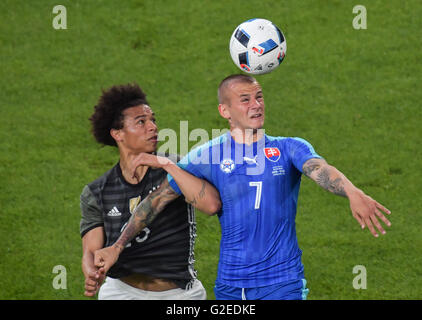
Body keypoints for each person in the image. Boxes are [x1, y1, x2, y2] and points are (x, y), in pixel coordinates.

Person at [94, 75, 392, 300]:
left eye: (259, 97)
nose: (257, 104)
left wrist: (353, 191)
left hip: (283, 283)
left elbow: (321, 170)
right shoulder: (208, 154)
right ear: (225, 110)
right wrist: (118, 246)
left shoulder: (288, 148)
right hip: (230, 287)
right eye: (246, 99)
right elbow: (156, 201)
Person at [80, 83, 221, 300]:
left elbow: (210, 205)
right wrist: (92, 272)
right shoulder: (97, 191)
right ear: (118, 134)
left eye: (153, 120)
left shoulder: (176, 166)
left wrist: (166, 165)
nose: (153, 127)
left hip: (179, 295)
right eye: (141, 122)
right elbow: (91, 250)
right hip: (120, 292)